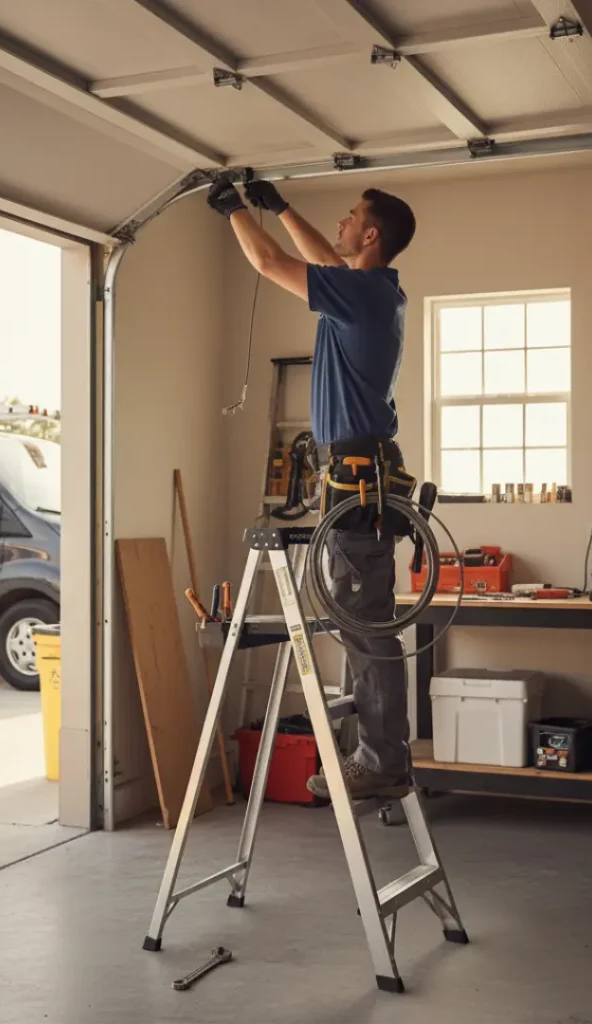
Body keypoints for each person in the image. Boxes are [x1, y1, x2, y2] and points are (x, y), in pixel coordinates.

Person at [206, 174, 417, 802]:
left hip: (357, 483)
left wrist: (232, 212)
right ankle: (375, 754)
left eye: (352, 217)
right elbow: (324, 257)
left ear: (371, 234)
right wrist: (281, 207)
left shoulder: (362, 295)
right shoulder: (370, 291)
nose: (343, 223)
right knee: (359, 621)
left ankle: (381, 759)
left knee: (365, 626)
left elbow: (271, 262)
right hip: (356, 476)